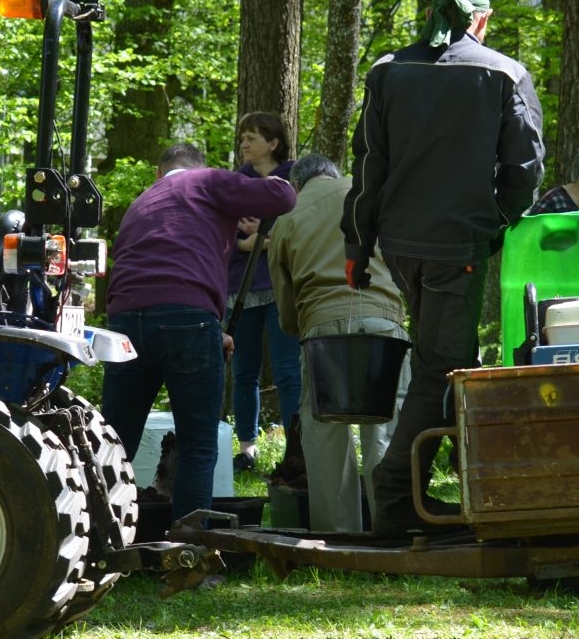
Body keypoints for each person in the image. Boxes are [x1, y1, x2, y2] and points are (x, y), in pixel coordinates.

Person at [343, 0, 546, 536]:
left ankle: (445, 483)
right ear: (480, 20)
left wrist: (357, 242)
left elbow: (367, 167)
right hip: (457, 244)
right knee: (443, 368)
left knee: (443, 363)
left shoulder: (388, 71)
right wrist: (500, 221)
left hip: (399, 246)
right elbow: (525, 170)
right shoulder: (504, 73)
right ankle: (396, 492)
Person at [100, 142, 296, 530]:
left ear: (159, 173)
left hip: (125, 320)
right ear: (199, 167)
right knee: (198, 443)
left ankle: (97, 540)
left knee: (114, 441)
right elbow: (283, 194)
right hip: (187, 317)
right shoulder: (207, 181)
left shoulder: (142, 203)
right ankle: (188, 551)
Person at [269, 154, 410, 533]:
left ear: (297, 185)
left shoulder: (288, 217)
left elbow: (284, 300)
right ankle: (393, 528)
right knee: (386, 428)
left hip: (322, 328)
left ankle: (336, 536)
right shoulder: (373, 196)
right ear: (333, 173)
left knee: (324, 432)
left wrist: (300, 326)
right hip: (384, 322)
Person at [225, 111, 302, 472]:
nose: (243, 143)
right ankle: (247, 449)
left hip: (281, 285)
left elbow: (303, 229)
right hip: (241, 286)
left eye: (251, 137)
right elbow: (226, 233)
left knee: (288, 371)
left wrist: (267, 240)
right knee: (243, 370)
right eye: (242, 137)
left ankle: (296, 449)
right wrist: (250, 242)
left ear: (272, 143)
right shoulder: (234, 182)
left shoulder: (296, 179)